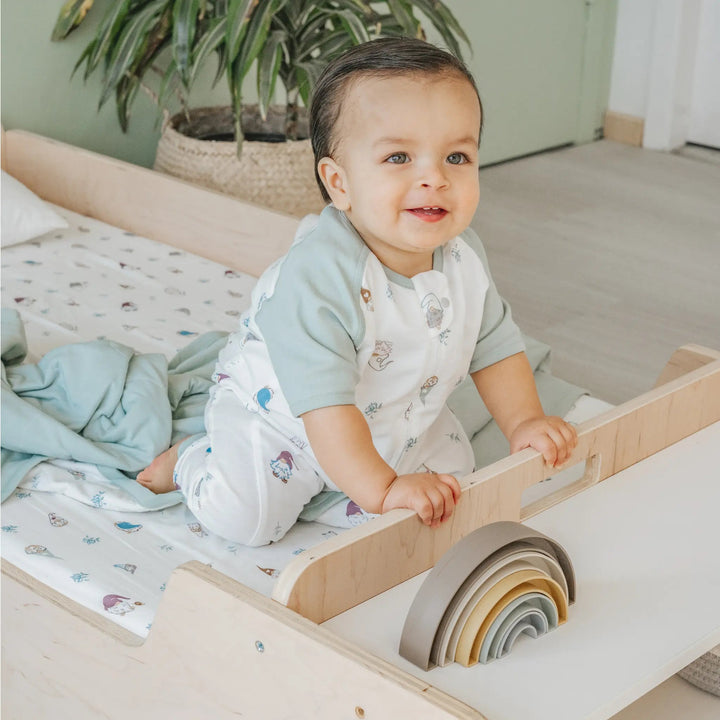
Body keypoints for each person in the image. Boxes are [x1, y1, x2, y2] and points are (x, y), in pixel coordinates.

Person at [137, 37, 577, 546]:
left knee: (457, 488)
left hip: (396, 415)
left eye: (456, 156)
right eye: (398, 157)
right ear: (339, 183)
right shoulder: (321, 278)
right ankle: (193, 458)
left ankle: (348, 489)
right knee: (246, 519)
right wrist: (385, 489)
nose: (434, 178)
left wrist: (525, 420)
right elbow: (327, 410)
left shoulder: (464, 256)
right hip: (293, 423)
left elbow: (495, 346)